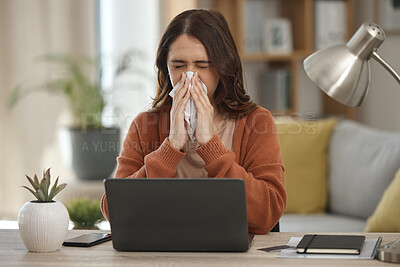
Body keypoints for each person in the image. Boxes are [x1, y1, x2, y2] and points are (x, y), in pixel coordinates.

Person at [101, 9, 286, 235]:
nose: (190, 77)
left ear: (222, 68)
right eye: (178, 66)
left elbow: (267, 214)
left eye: (202, 65)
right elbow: (116, 212)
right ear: (165, 68)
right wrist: (170, 147)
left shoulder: (257, 122)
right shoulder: (144, 125)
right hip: (162, 252)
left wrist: (211, 145)